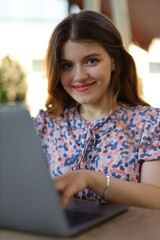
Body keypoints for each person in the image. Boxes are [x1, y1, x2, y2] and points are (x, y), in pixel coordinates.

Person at [33, 10, 160, 210]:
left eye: (91, 61)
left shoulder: (149, 123)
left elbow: (156, 198)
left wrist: (91, 179)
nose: (79, 76)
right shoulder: (45, 125)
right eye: (66, 65)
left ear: (114, 61)